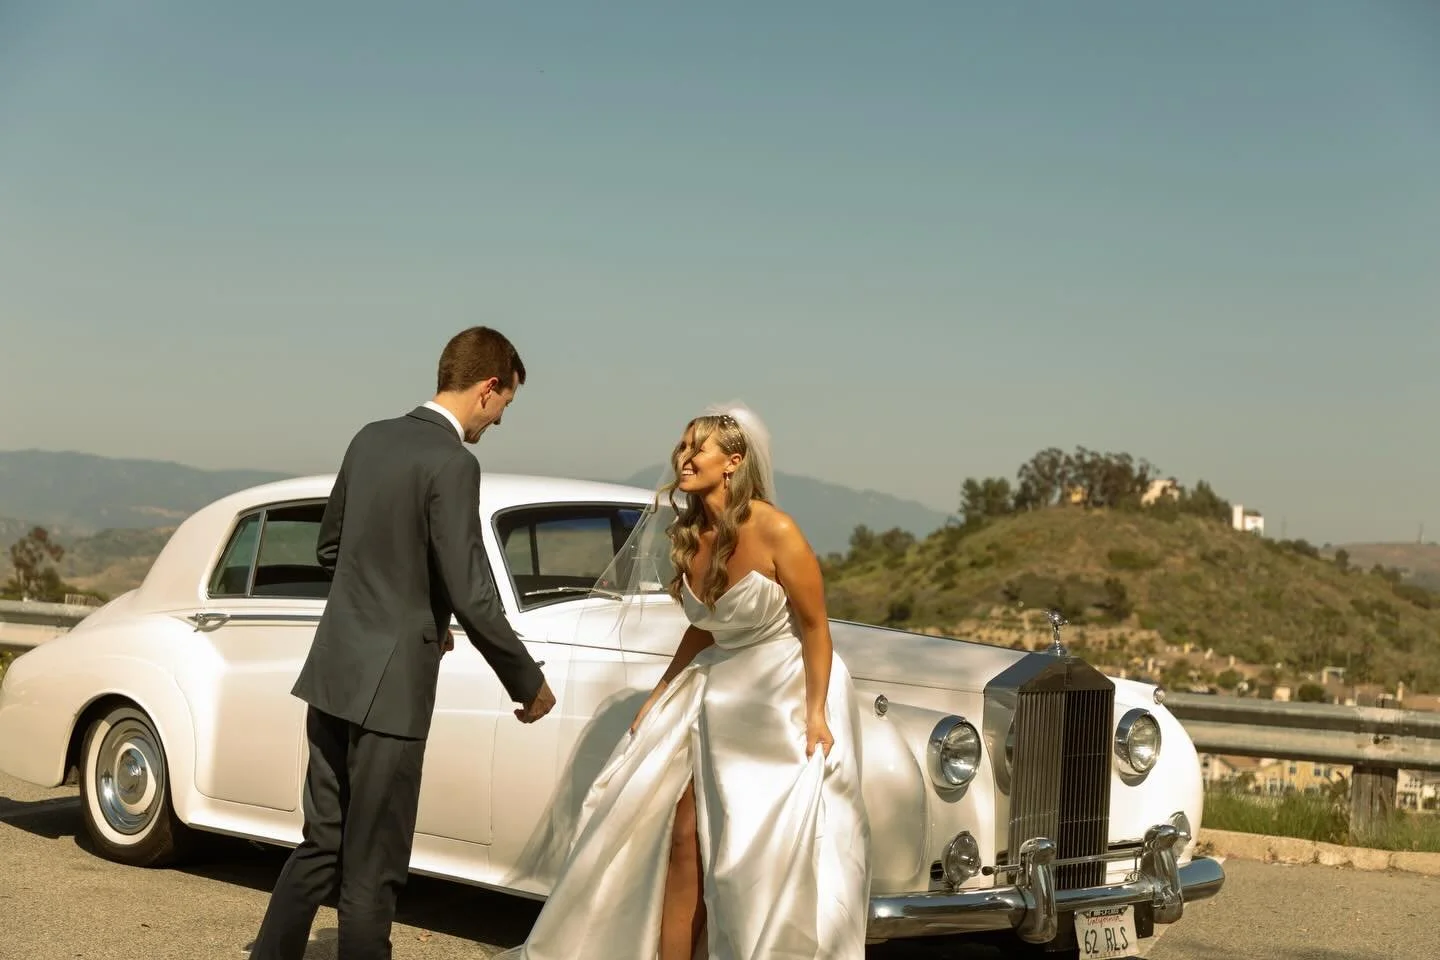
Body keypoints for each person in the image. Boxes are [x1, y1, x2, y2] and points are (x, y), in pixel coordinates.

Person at [497, 403, 871, 960]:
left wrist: (816, 713)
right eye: (682, 446)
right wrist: (660, 692)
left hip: (786, 697)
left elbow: (816, 627)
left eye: (699, 448)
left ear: (733, 461)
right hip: (721, 691)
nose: (684, 458)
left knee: (755, 855)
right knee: (683, 836)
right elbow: (704, 628)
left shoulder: (776, 529)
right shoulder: (689, 533)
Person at [248, 326, 557, 960]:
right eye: (505, 404)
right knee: (374, 863)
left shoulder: (370, 437)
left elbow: (329, 548)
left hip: (334, 670)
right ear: (488, 387)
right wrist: (527, 681)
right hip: (393, 693)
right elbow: (471, 591)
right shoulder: (454, 463)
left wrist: (411, 614)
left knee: (321, 843)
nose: (499, 420)